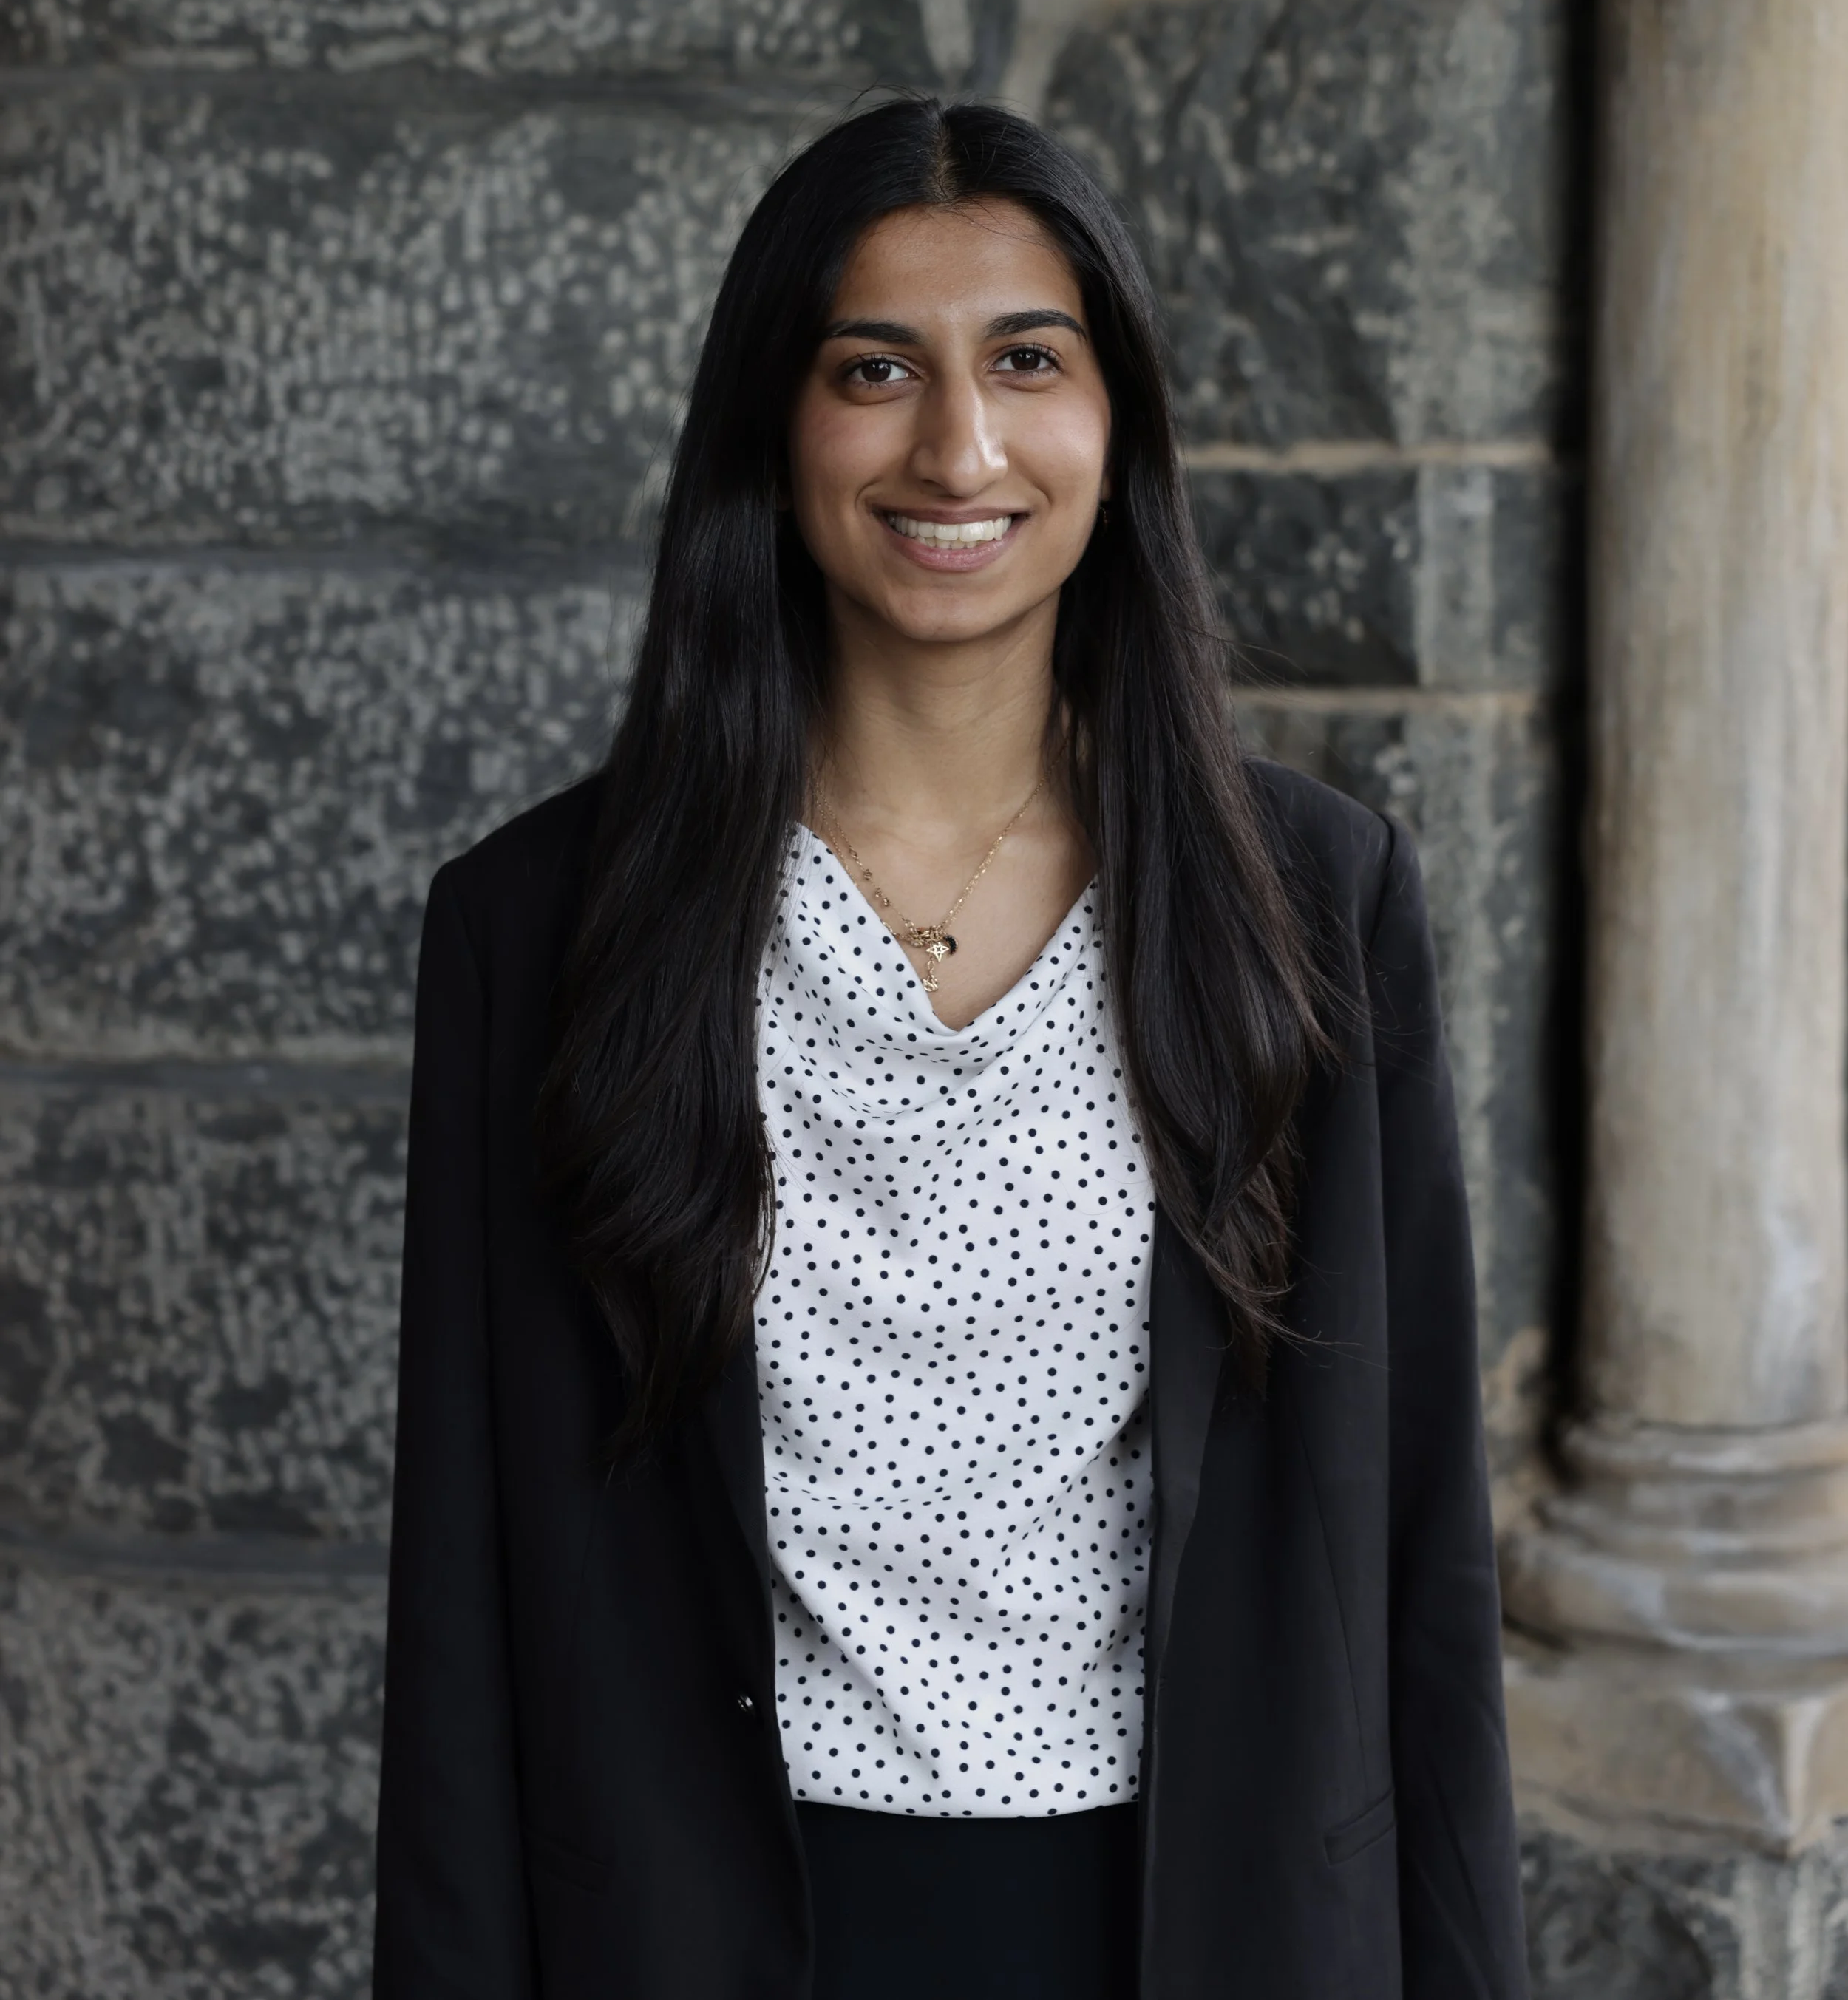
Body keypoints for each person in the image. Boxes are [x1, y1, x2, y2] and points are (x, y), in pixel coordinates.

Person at [372, 98, 1527, 2000]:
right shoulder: (540, 930)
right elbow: (462, 1608)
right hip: (707, 1917)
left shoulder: (1310, 901)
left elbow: (1416, 1560)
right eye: (872, 368)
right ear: (777, 417)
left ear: (1114, 423)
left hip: (1195, 1916)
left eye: (1027, 361)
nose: (957, 446)